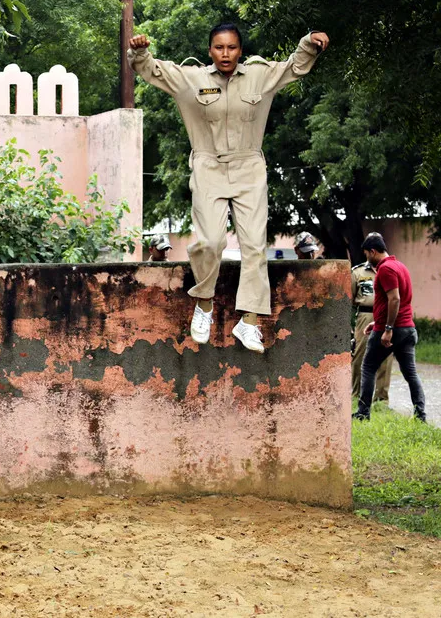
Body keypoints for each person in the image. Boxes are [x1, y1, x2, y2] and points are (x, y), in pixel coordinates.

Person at [129, 24, 329, 353]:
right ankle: (204, 304)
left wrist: (309, 43)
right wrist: (138, 50)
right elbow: (150, 68)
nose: (226, 54)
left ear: (240, 50)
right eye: (219, 48)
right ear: (210, 50)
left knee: (253, 245)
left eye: (232, 48)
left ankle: (249, 321)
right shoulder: (191, 79)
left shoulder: (258, 77)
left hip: (249, 166)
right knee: (210, 241)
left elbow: (294, 66)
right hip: (208, 166)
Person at [352, 233, 426, 422]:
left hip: (394, 329)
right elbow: (392, 301)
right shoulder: (400, 266)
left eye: (367, 254)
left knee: (368, 367)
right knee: (411, 373)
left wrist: (387, 328)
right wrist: (377, 322)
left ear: (373, 251)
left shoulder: (385, 269)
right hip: (408, 328)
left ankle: (362, 413)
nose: (366, 258)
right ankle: (421, 415)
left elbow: (395, 299)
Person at [350, 232, 392, 403]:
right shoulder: (358, 272)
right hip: (365, 316)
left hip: (386, 315)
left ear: (373, 250)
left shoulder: (390, 269)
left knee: (386, 356)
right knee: (360, 354)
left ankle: (381, 399)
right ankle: (356, 395)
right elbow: (349, 300)